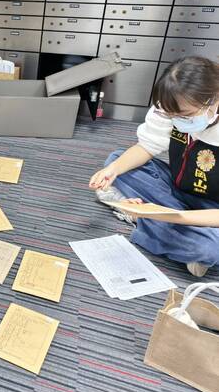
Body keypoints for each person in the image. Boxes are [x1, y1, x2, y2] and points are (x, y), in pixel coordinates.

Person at [90, 56, 219, 278]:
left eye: (185, 116)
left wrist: (169, 216)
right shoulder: (171, 106)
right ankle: (173, 232)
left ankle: (140, 217)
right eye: (171, 115)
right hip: (177, 186)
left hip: (212, 207)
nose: (177, 121)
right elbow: (147, 146)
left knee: (209, 248)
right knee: (116, 160)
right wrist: (113, 170)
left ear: (213, 99)